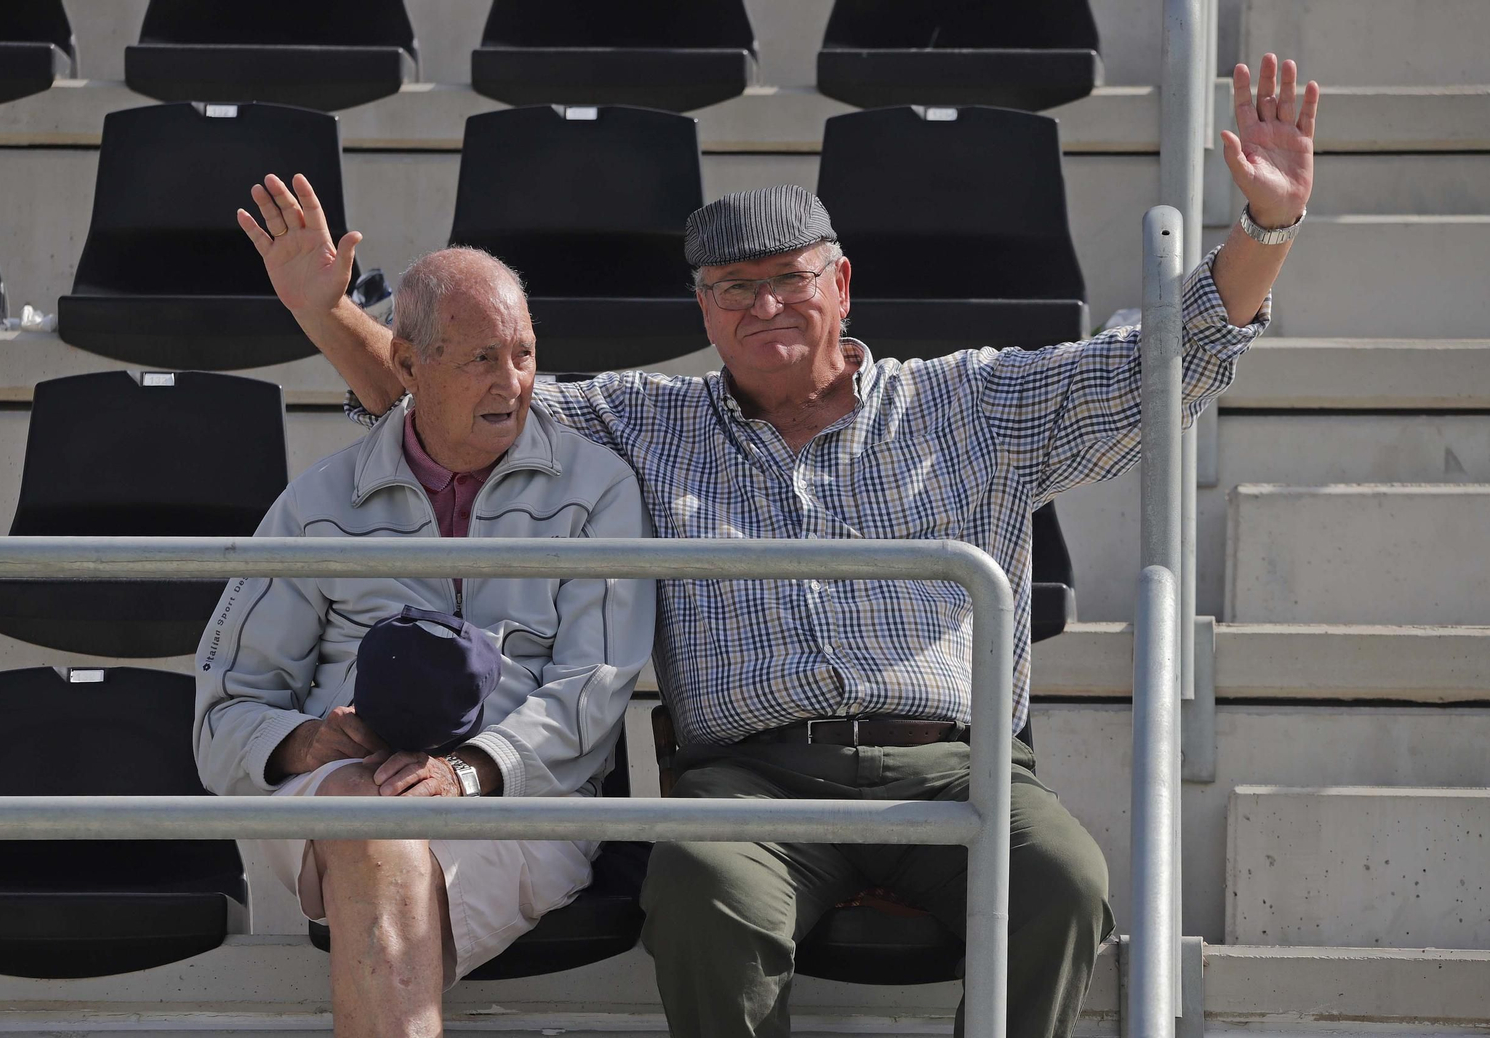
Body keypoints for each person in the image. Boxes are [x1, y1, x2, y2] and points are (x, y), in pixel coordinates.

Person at [236, 56, 1316, 1038]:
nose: (764, 305)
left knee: (1065, 881)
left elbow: (1154, 368)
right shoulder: (643, 424)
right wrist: (330, 317)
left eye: (789, 278)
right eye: (731, 288)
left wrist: (1261, 231)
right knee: (702, 885)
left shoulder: (966, 401)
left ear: (840, 284)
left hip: (953, 768)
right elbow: (462, 398)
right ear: (702, 312)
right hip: (747, 781)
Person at [192, 248, 655, 1038]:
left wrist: (466, 772)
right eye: (481, 358)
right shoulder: (317, 504)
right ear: (406, 363)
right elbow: (224, 705)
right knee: (368, 813)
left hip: (525, 805)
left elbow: (592, 694)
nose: (510, 383)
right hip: (338, 788)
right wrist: (307, 743)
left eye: (524, 354)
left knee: (376, 827)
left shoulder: (597, 490)